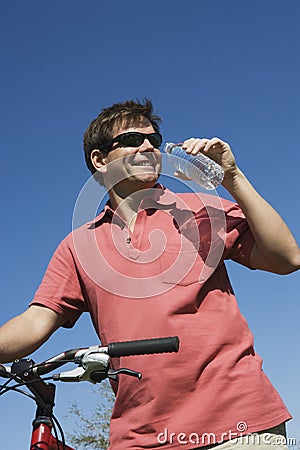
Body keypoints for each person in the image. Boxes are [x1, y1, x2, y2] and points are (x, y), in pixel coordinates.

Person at [0, 98, 299, 450]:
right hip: (140, 437)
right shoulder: (77, 246)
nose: (147, 146)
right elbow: (36, 321)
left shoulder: (200, 209)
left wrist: (232, 176)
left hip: (238, 422)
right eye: (131, 139)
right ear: (99, 161)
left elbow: (287, 258)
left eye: (154, 140)